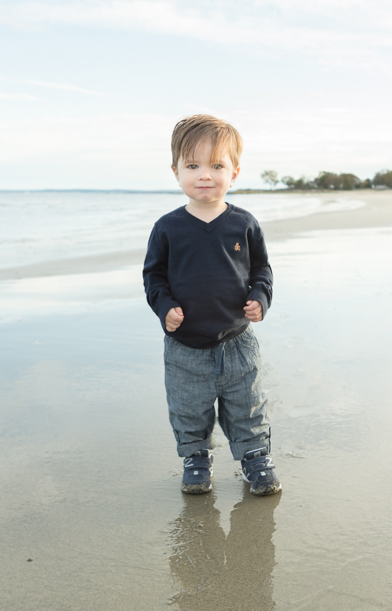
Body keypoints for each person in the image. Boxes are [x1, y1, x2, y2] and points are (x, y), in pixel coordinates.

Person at [143, 114, 281, 496]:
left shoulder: (244, 224)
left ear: (234, 173)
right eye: (193, 166)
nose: (205, 175)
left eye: (216, 166)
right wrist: (165, 306)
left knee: (247, 403)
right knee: (189, 408)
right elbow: (153, 277)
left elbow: (261, 270)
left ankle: (254, 456)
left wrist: (259, 298)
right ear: (176, 172)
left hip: (237, 339)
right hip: (185, 345)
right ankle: (196, 457)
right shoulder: (168, 228)